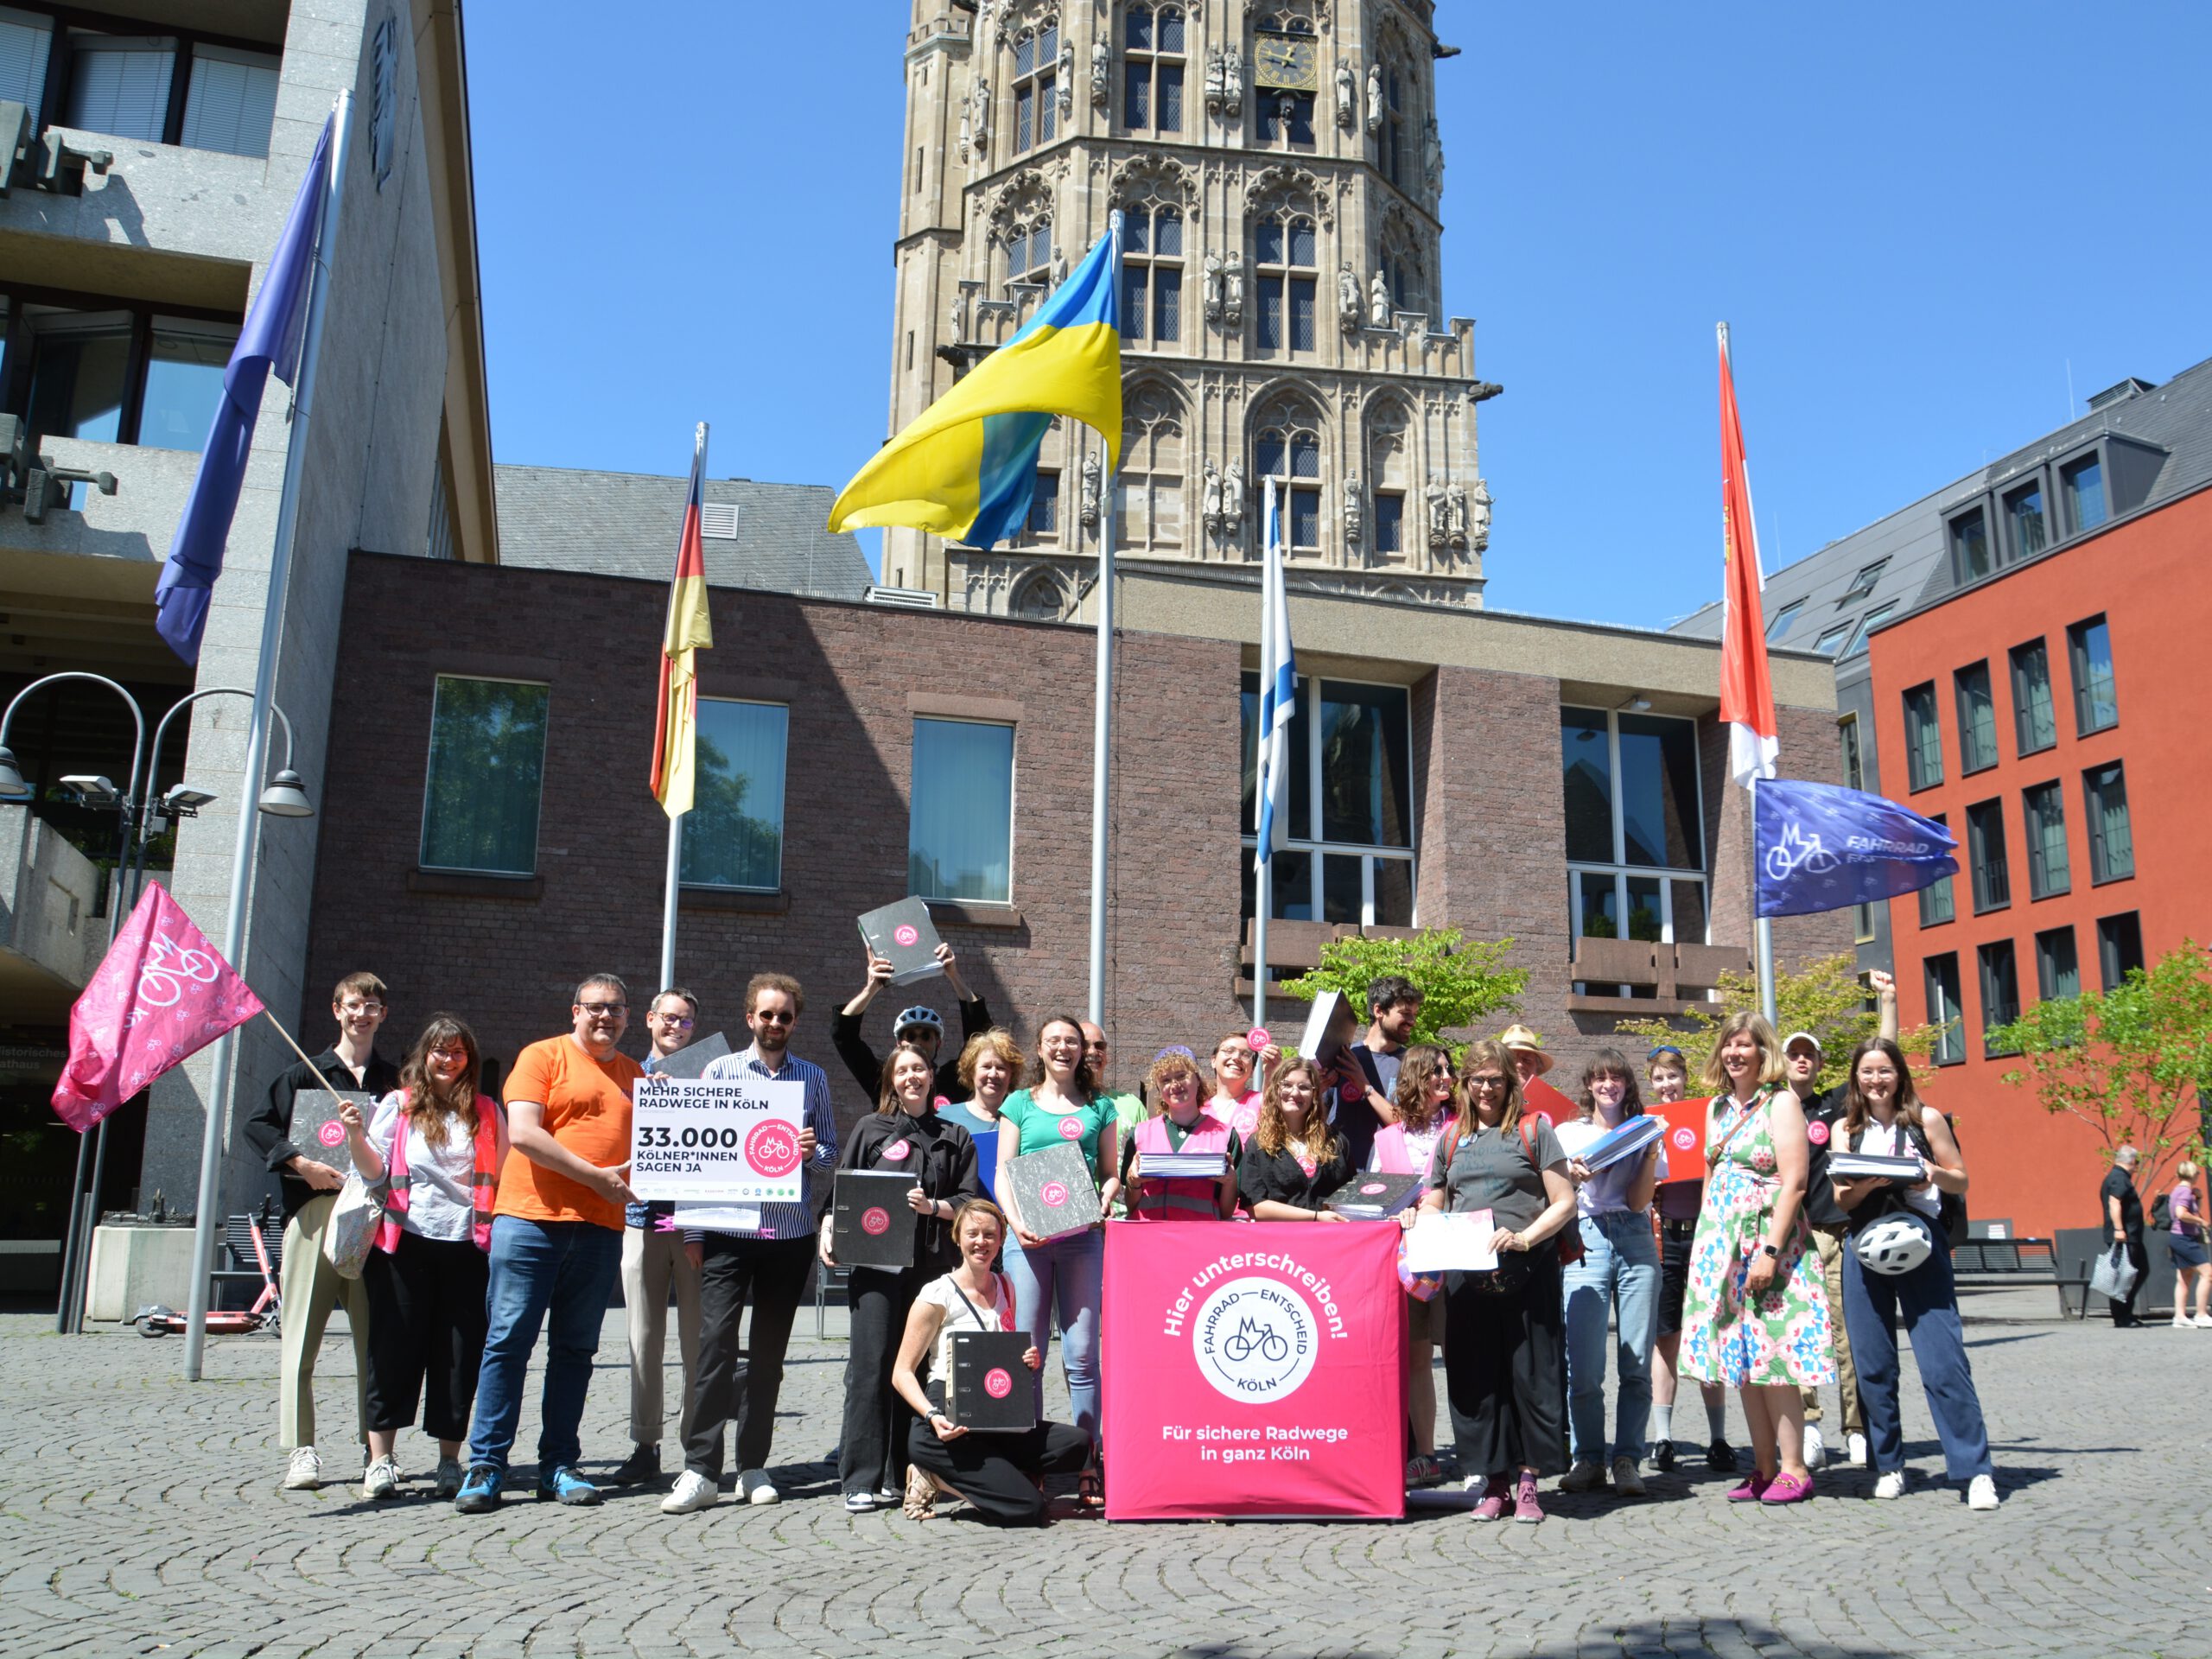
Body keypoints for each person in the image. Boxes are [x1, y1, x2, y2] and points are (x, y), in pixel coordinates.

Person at [455, 974, 642, 1513]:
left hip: (602, 1228)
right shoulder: (542, 1056)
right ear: (575, 1011)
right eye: (595, 1008)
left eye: (616, 1009)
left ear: (629, 1017)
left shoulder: (637, 1076)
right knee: (509, 1342)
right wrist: (595, 1177)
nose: (605, 1017)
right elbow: (526, 1134)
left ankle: (558, 1464)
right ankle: (487, 1466)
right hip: (530, 1221)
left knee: (575, 1351)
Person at [661, 974, 839, 1515]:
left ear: (794, 1022)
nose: (776, 1024)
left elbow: (831, 1154)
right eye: (767, 1014)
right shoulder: (719, 1071)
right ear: (749, 1017)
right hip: (728, 1235)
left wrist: (812, 1153)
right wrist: (692, 1232)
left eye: (785, 1016)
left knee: (768, 1355)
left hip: (788, 1235)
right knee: (714, 1347)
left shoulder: (813, 1078)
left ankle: (754, 1463)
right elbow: (700, 1157)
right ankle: (699, 1469)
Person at [241, 970, 400, 1491]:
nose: (363, 1014)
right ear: (338, 1010)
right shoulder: (303, 1073)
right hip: (313, 1216)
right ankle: (302, 1450)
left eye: (373, 1006)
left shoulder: (394, 1081)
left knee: (374, 1341)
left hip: (372, 1219)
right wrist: (299, 1161)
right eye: (355, 1004)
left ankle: (374, 1451)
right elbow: (257, 1125)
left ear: (382, 1014)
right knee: (301, 1337)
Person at [339, 1015, 505, 1500]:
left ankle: (449, 1462)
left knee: (457, 1357)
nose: (449, 1060)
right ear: (424, 1055)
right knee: (393, 1350)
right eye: (440, 1051)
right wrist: (355, 1135)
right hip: (403, 1243)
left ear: (469, 1059)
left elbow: (506, 1172)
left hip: (469, 1248)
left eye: (458, 1052)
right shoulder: (398, 1105)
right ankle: (381, 1459)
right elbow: (373, 1172)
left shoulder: (486, 1111)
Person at [1829, 1038, 1998, 1511]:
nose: (1875, 1080)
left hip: (1921, 1241)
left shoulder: (1927, 1120)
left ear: (1899, 1075)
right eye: (1866, 1072)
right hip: (1865, 1244)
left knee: (1943, 1359)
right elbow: (1842, 1199)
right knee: (1873, 1363)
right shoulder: (1846, 1128)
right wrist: (1862, 1185)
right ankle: (1890, 1465)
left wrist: (1929, 1172)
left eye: (1884, 1071)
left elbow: (1960, 1177)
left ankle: (1974, 1470)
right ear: (1855, 1078)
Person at [1415, 1039, 1578, 1523]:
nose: (1487, 1088)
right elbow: (1435, 1198)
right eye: (1478, 1080)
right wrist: (1423, 1220)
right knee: (1477, 1381)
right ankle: (1496, 1483)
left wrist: (1526, 1238)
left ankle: (1528, 1483)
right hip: (1468, 1275)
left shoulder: (1535, 1130)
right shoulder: (1451, 1138)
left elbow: (1564, 1200)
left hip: (1529, 1272)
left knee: (1532, 1377)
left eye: (1496, 1079)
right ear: (1465, 1085)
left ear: (1511, 1083)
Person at [1678, 1013, 1834, 1507]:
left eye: (1744, 1045)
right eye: (1728, 1045)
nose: (1734, 1054)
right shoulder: (1718, 1109)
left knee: (1776, 1357)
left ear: (1763, 1052)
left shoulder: (1783, 1102)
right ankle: (1763, 1466)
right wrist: (1706, 1247)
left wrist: (1769, 1250)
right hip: (1721, 1243)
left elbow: (1794, 1183)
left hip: (1769, 1243)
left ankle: (1794, 1468)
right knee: (1740, 1359)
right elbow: (1710, 1179)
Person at [825, 1041, 982, 1512]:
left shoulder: (956, 1135)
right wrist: (829, 1228)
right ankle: (860, 1479)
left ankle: (902, 1471)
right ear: (892, 1081)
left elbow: (970, 1201)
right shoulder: (870, 1129)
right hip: (875, 1267)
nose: (911, 1076)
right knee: (870, 1368)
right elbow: (843, 1190)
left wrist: (933, 1207)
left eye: (919, 1069)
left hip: (930, 1271)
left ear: (932, 1077)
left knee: (913, 1368)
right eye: (902, 1070)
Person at [893, 1198, 1093, 1524]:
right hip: (946, 1421)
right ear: (957, 1237)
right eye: (973, 1234)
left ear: (1001, 1241)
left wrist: (1027, 1358)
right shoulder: (935, 1294)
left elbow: (1002, 1353)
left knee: (1078, 1443)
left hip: (994, 1415)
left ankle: (994, 1469)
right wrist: (931, 1417)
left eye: (990, 1235)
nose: (981, 1242)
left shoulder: (1005, 1286)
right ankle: (932, 1477)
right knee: (1030, 1507)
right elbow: (901, 1372)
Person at [996, 1015, 1122, 1486]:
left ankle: (1087, 1460)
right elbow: (1003, 1172)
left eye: (1072, 1041)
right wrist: (1015, 1222)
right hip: (1027, 1241)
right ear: (1041, 1049)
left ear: (1082, 1050)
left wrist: (1106, 1194)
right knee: (1028, 1353)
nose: (1063, 1048)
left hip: (1081, 1239)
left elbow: (1110, 1171)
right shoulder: (1018, 1104)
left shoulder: (1100, 1107)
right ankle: (1033, 1460)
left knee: (1083, 1354)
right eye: (1054, 1041)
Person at [1782, 968, 1896, 1471]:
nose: (1802, 1059)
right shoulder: (1770, 1109)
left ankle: (1856, 1430)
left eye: (1810, 1053)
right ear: (1780, 1062)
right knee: (1794, 1333)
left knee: (1847, 1335)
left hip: (1835, 1233)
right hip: (1788, 1239)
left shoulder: (1835, 1107)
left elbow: (1885, 1064)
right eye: (1794, 1053)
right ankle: (1808, 1426)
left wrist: (1886, 1002)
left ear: (1821, 1063)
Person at [1555, 1046, 1666, 1499]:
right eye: (1600, 1078)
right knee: (1583, 1363)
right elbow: (1555, 1191)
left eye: (1616, 1078)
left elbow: (1640, 1202)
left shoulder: (1643, 1130)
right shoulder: (1567, 1132)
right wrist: (1573, 1176)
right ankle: (1588, 1459)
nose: (1608, 1084)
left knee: (1636, 1360)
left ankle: (1627, 1460)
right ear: (1588, 1085)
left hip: (1635, 1234)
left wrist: (1647, 1153)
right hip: (1586, 1236)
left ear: (1627, 1085)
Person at [614, 988, 706, 1486]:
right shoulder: (626, 1074)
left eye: (686, 1021)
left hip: (693, 1226)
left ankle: (697, 1448)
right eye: (668, 1018)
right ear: (650, 1020)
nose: (676, 1027)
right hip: (641, 1221)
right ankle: (644, 1443)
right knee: (642, 1338)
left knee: (698, 1342)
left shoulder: (714, 1075)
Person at [1644, 1044, 1737, 1475]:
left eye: (1673, 1077)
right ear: (1651, 1084)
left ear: (1685, 1079)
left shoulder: (1708, 1117)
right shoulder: (1644, 1123)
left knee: (1708, 1334)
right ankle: (1663, 1439)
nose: (1667, 1085)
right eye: (1659, 1078)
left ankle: (1718, 1438)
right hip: (1664, 1243)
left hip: (1704, 1240)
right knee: (1666, 1340)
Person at [1373, 1045, 1458, 1486]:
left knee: (1465, 1357)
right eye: (1436, 1070)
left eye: (1449, 1070)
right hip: (1412, 1264)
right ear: (1415, 1078)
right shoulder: (1385, 1139)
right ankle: (1426, 1454)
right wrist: (1394, 1211)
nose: (1446, 1077)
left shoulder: (1463, 1129)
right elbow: (1373, 1198)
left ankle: (1478, 1453)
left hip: (1461, 1256)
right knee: (1419, 1360)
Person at [833, 943, 992, 1103]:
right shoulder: (885, 1081)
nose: (918, 1042)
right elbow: (845, 1037)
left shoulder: (953, 1079)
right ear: (898, 1043)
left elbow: (981, 1040)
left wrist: (953, 975)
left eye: (926, 1036)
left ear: (938, 1043)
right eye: (910, 1036)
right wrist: (872, 988)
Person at [1119, 1049, 1239, 1221]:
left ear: (1197, 1080)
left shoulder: (1226, 1135)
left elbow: (1226, 1212)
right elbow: (1133, 1206)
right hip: (1152, 1237)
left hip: (1201, 1237)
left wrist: (1230, 1182)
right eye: (1165, 1080)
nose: (1174, 1085)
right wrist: (1133, 1182)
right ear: (1159, 1089)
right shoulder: (1139, 1134)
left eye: (1182, 1075)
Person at [1237, 1058, 1353, 1221]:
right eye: (1286, 1085)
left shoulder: (1336, 1141)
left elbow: (1353, 1196)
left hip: (1329, 1238)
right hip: (1281, 1242)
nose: (1295, 1093)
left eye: (1304, 1087)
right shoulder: (1258, 1143)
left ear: (1314, 1094)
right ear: (1275, 1090)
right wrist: (1315, 1217)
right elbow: (1254, 1206)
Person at [1332, 975, 1420, 1172]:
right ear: (1379, 1011)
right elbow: (1315, 1115)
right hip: (1336, 1174)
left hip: (1384, 1179)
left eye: (1414, 1014)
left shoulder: (1412, 1064)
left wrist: (1365, 1086)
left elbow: (1406, 1124)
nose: (1412, 1021)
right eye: (1405, 1013)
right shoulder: (1344, 1056)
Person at [938, 1029, 1020, 1199]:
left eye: (1001, 1067)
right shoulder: (944, 1117)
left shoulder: (1021, 1119)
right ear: (971, 1071)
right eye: (986, 1066)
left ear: (1012, 1075)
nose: (993, 1074)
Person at [1082, 1021, 1147, 1215]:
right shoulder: (1063, 1104)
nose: (1093, 1052)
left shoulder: (1131, 1104)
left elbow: (1145, 1160)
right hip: (1077, 1217)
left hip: (1124, 1215)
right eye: (1085, 1045)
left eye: (1099, 1046)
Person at [2101, 1146, 2149, 1327]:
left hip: (2131, 1235)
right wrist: (2119, 1229)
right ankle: (2121, 1316)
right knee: (2125, 1276)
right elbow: (2114, 1203)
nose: (2137, 1167)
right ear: (2131, 1161)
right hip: (2125, 1236)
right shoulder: (2119, 1178)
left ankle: (2126, 1313)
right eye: (2136, 1163)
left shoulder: (2119, 1177)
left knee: (2138, 1272)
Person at [1498, 1023, 1578, 1123]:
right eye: (1512, 1060)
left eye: (1526, 1060)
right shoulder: (1488, 1101)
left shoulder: (1553, 1104)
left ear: (1537, 1067)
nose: (1519, 1065)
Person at [2169, 1162, 2211, 1328]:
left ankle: (2179, 1316)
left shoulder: (2178, 1191)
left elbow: (2188, 1211)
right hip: (2184, 1238)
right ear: (2193, 1174)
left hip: (2178, 1237)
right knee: (2208, 1273)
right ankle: (2201, 1314)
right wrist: (2201, 1221)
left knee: (2184, 1277)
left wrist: (2198, 1198)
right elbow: (2181, 1214)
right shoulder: (2185, 1192)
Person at [1207, 1029, 1268, 1141]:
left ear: (1252, 1070)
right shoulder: (1198, 1109)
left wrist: (1271, 1072)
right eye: (1229, 1051)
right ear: (1213, 1061)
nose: (1236, 1057)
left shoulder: (1260, 1102)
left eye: (1246, 1054)